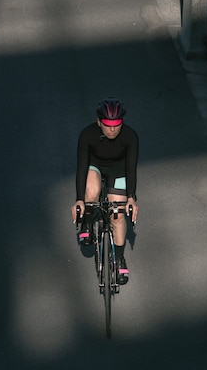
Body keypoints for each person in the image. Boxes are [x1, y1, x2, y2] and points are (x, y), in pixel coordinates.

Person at [71, 97, 139, 284]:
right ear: (99, 121)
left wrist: (131, 198)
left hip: (119, 169)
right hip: (94, 165)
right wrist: (79, 200)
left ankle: (119, 258)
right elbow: (81, 168)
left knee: (117, 215)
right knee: (91, 191)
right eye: (108, 124)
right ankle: (87, 223)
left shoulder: (130, 136)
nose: (112, 129)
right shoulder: (87, 135)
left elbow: (131, 170)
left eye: (116, 124)